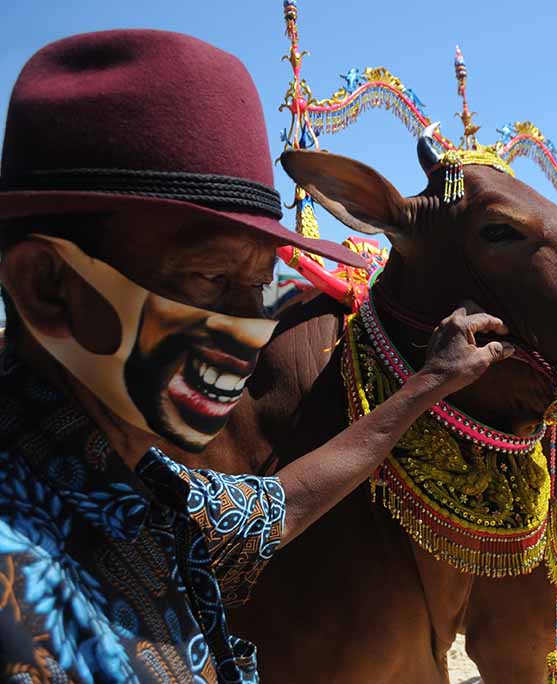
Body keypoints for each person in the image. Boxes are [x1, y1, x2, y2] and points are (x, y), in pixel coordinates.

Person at [0, 30, 513, 683]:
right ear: (48, 285)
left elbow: (281, 505)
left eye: (262, 287)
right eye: (211, 279)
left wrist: (428, 384)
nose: (250, 326)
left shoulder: (133, 482)